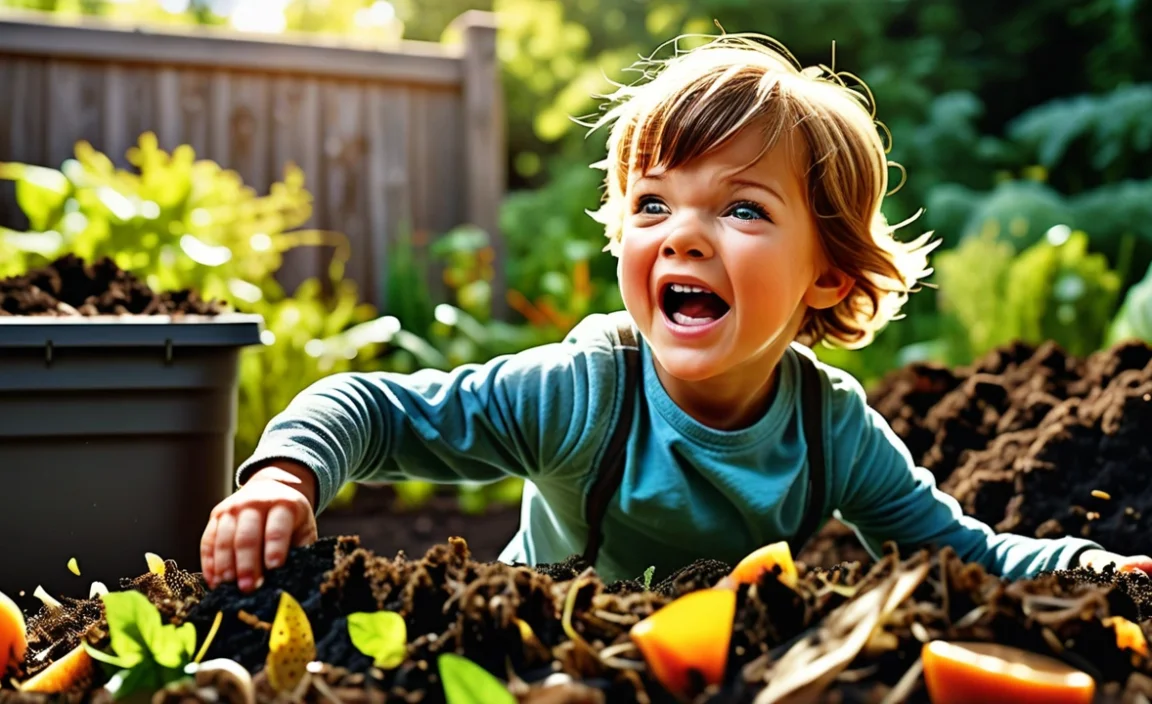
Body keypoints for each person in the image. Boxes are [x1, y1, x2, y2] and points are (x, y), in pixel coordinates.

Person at [200, 32, 1152, 593]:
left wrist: (1096, 568)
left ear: (828, 275)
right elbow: (374, 409)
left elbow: (961, 554)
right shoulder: (583, 393)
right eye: (653, 204)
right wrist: (285, 477)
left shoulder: (830, 432)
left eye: (743, 210)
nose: (684, 236)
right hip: (539, 655)